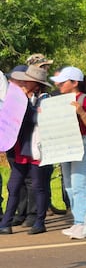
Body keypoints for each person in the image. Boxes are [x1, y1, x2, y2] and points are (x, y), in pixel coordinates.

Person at [0, 65, 52, 235]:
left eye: (27, 80)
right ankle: (6, 223)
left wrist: (24, 104)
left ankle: (39, 221)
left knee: (38, 185)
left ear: (36, 84)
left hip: (36, 149)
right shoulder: (18, 97)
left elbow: (36, 118)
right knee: (13, 186)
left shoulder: (45, 98)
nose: (23, 82)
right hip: (20, 149)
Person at [51, 66, 86, 240]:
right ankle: (78, 221)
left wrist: (81, 112)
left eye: (63, 82)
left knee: (79, 184)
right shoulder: (62, 100)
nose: (59, 85)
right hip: (66, 145)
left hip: (82, 145)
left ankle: (84, 223)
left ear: (74, 83)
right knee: (70, 186)